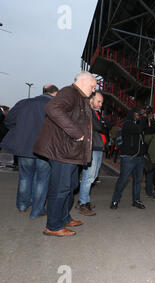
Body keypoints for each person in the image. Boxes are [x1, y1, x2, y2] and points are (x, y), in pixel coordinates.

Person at [33, 71, 97, 237]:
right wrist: (77, 133)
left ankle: (64, 218)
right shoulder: (70, 92)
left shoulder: (80, 97)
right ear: (84, 82)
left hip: (72, 153)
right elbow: (52, 108)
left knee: (70, 187)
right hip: (63, 152)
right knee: (60, 189)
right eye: (92, 86)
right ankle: (53, 226)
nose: (94, 90)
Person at [0, 85, 58, 218]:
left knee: (25, 177)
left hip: (24, 147)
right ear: (54, 94)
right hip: (44, 149)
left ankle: (22, 205)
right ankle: (37, 211)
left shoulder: (24, 103)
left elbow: (8, 121)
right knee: (42, 180)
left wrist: (22, 130)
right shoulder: (54, 106)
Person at [110, 108, 155, 210]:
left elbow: (152, 130)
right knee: (123, 180)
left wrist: (150, 119)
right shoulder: (127, 124)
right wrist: (144, 118)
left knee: (137, 181)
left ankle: (136, 200)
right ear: (132, 114)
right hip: (128, 158)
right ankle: (115, 200)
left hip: (139, 158)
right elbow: (138, 129)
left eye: (140, 113)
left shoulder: (140, 123)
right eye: (137, 113)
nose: (139, 115)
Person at [77, 91, 109, 215]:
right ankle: (82, 203)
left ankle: (84, 199)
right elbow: (101, 128)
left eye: (102, 102)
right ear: (91, 100)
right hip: (92, 148)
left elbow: (105, 127)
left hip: (98, 148)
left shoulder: (96, 113)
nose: (101, 104)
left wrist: (104, 125)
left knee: (93, 176)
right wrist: (103, 125)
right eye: (99, 101)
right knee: (88, 176)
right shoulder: (88, 112)